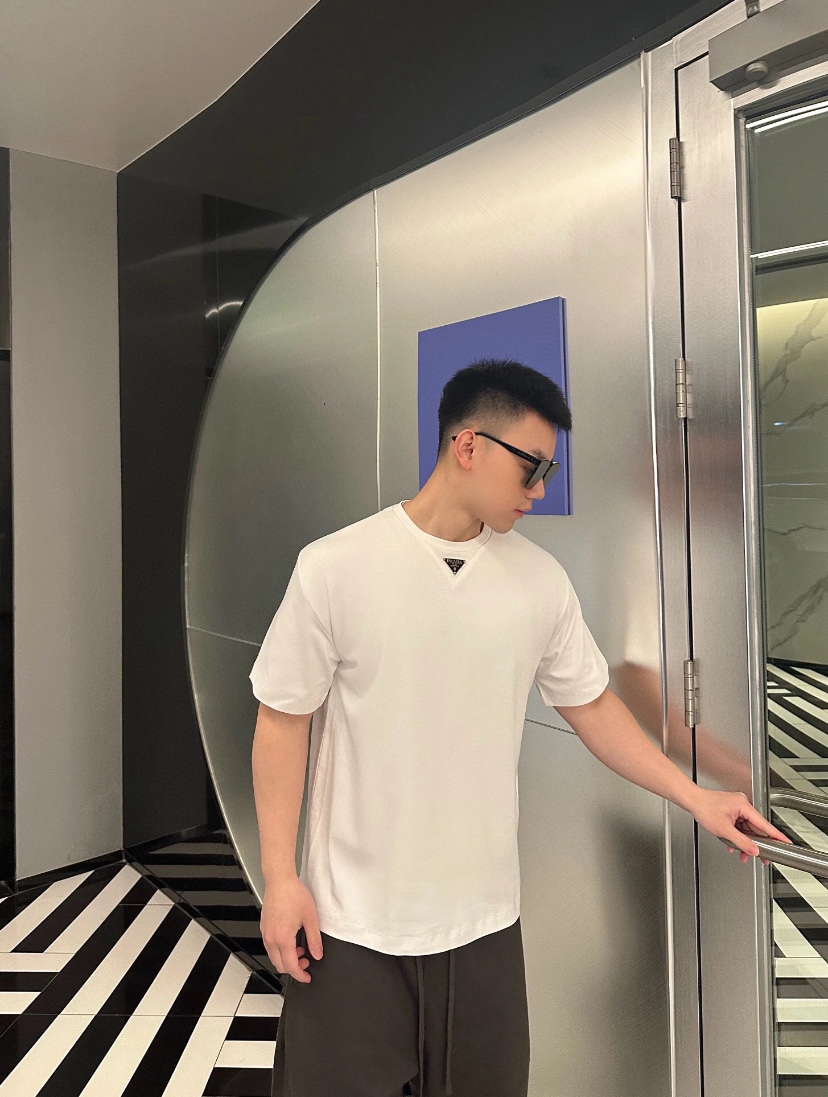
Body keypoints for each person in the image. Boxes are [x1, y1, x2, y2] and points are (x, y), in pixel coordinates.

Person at [249, 358, 790, 1097]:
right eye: (531, 467)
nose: (539, 490)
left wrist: (697, 797)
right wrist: (280, 879)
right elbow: (282, 721)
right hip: (349, 924)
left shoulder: (539, 582)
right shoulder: (334, 568)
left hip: (484, 927)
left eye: (548, 471)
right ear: (468, 445)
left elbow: (594, 707)